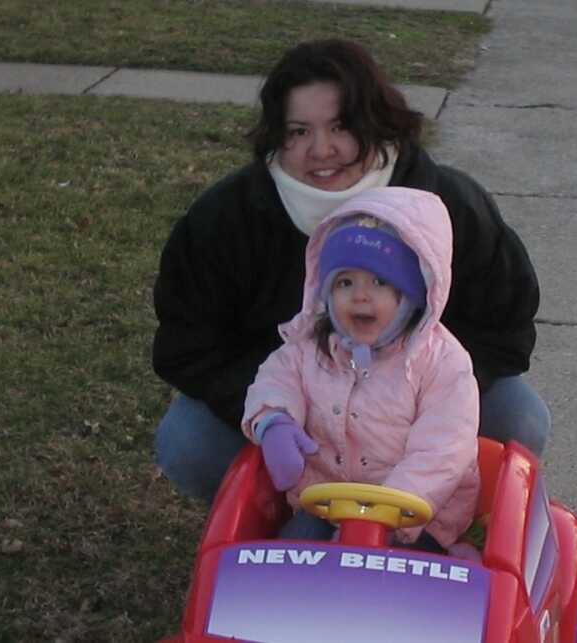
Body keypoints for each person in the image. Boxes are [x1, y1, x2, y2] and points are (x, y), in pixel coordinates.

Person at [152, 38, 550, 503]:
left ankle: (454, 516)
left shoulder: (447, 203)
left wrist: (419, 398)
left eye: (340, 126)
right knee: (186, 442)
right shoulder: (225, 219)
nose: (321, 150)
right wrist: (287, 408)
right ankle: (276, 509)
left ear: (376, 122)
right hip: (287, 402)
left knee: (521, 419)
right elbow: (186, 346)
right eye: (298, 131)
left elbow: (506, 326)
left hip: (425, 400)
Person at [242, 186, 480, 553]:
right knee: (292, 553)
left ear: (411, 297)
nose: (360, 295)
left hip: (415, 514)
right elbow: (276, 378)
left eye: (380, 282)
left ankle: (454, 558)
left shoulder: (443, 363)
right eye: (345, 282)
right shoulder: (309, 346)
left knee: (399, 586)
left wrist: (385, 514)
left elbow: (444, 449)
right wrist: (274, 419)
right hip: (323, 501)